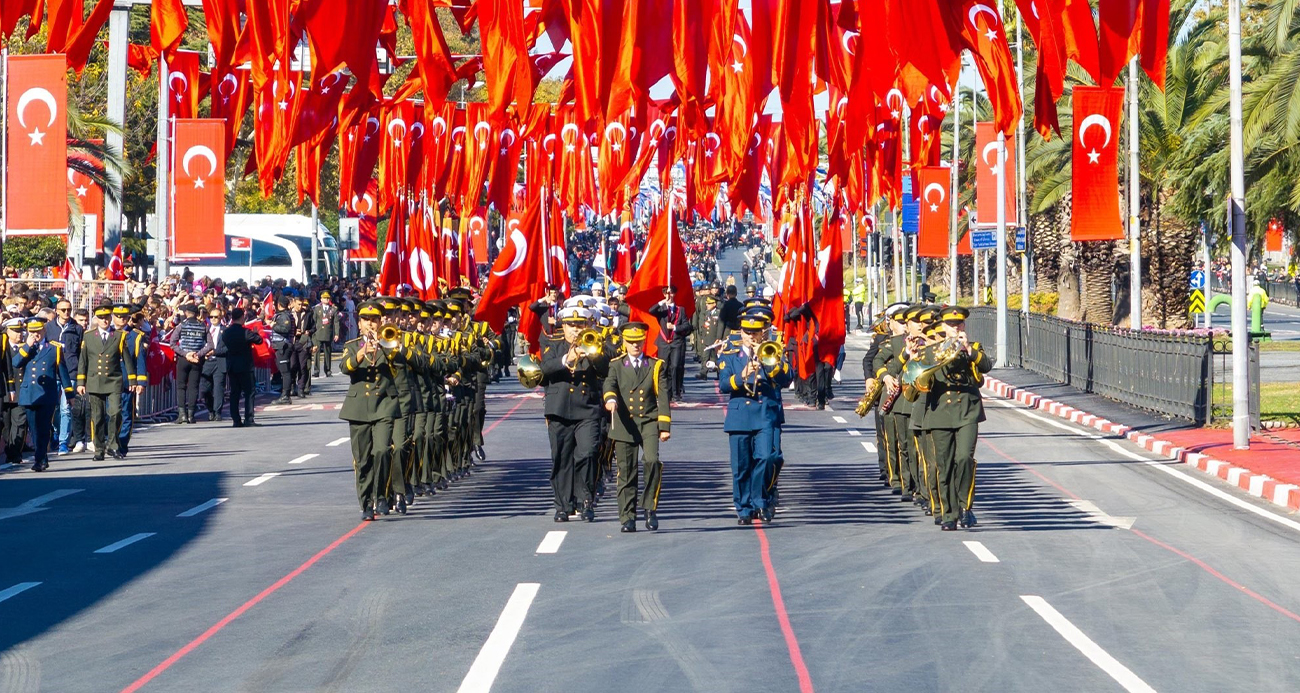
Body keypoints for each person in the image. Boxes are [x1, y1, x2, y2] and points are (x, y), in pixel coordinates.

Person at [918, 306, 991, 531]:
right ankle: (948, 514)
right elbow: (918, 381)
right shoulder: (930, 352)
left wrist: (968, 350)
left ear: (964, 326)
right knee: (945, 465)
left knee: (964, 458)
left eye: (958, 324)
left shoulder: (974, 348)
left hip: (967, 410)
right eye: (950, 325)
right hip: (940, 412)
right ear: (942, 326)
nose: (955, 328)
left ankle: (965, 507)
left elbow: (986, 366)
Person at [717, 308, 793, 524]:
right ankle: (743, 508)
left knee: (767, 458)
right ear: (741, 332)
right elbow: (724, 384)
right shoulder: (730, 354)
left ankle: (761, 500)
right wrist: (742, 376)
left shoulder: (773, 351)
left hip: (764, 415)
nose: (751, 336)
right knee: (741, 467)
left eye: (756, 332)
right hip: (740, 416)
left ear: (763, 333)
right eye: (748, 332)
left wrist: (769, 362)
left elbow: (787, 378)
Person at [540, 306, 609, 522]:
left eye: (580, 325)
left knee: (588, 453)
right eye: (571, 325)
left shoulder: (596, 343)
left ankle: (585, 500)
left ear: (587, 325)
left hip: (587, 408)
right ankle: (563, 505)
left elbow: (606, 370)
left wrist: (593, 355)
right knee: (561, 458)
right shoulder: (552, 344)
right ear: (563, 326)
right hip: (559, 409)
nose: (576, 329)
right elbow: (544, 369)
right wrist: (566, 360)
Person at [602, 322, 671, 533]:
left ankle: (649, 507)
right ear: (624, 342)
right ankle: (627, 517)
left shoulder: (655, 365)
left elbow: (663, 396)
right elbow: (609, 384)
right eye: (631, 341)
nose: (635, 345)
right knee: (626, 471)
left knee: (652, 461)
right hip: (625, 423)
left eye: (639, 341)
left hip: (648, 421)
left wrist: (664, 426)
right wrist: (610, 399)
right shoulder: (616, 365)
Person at [339, 301, 401, 521]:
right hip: (358, 408)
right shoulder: (352, 345)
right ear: (359, 323)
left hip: (384, 405)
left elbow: (400, 364)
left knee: (382, 450)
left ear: (380, 322)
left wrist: (384, 345)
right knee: (363, 459)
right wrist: (362, 352)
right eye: (366, 320)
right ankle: (366, 503)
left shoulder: (390, 343)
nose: (370, 324)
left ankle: (381, 494)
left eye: (374, 320)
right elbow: (345, 367)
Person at [12, 318, 74, 472]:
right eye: (32, 332)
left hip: (47, 394)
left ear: (44, 330)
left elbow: (63, 372)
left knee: (44, 427)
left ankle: (39, 459)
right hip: (29, 394)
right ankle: (42, 457)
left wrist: (69, 393)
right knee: (34, 429)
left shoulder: (54, 348)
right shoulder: (25, 348)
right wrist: (28, 346)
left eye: (38, 331)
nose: (35, 335)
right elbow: (16, 363)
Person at [79, 306, 134, 461]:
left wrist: (132, 379)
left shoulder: (119, 335)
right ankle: (99, 449)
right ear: (96, 319)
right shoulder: (89, 336)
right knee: (97, 417)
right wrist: (81, 382)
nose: (104, 320)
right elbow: (83, 360)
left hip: (113, 380)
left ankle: (113, 445)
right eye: (101, 318)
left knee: (115, 412)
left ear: (110, 318)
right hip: (95, 381)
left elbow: (127, 359)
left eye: (107, 317)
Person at [48, 299, 84, 454]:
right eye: (63, 310)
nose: (66, 312)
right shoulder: (48, 327)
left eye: (69, 309)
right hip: (53, 373)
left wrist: (81, 376)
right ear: (57, 311)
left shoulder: (77, 328)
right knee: (54, 408)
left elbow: (81, 354)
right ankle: (56, 433)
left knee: (66, 408)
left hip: (71, 373)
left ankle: (63, 441)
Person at [114, 306, 149, 457]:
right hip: (108, 381)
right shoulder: (106, 334)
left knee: (126, 414)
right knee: (110, 414)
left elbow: (140, 359)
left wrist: (140, 382)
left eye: (124, 316)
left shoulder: (135, 336)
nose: (121, 319)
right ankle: (109, 442)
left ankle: (121, 445)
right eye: (118, 316)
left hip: (128, 381)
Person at [170, 303, 213, 424]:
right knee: (193, 387)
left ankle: (182, 415)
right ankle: (191, 415)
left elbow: (172, 343)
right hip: (197, 360)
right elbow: (210, 345)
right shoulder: (203, 326)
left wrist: (185, 354)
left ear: (186, 313)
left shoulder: (181, 326)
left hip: (184, 359)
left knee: (181, 386)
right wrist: (198, 354)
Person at [648, 286, 692, 401]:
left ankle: (676, 392)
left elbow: (687, 326)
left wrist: (675, 327)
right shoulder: (661, 309)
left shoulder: (680, 310)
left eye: (671, 293)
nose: (669, 295)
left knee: (675, 366)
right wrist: (661, 302)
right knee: (664, 367)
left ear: (674, 294)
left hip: (676, 342)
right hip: (663, 343)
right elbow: (650, 311)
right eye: (666, 293)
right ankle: (665, 392)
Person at [222, 307, 263, 428]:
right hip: (245, 366)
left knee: (235, 393)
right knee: (249, 392)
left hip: (232, 365)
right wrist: (255, 333)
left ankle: (236, 419)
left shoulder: (226, 332)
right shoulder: (245, 332)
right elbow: (259, 340)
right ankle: (249, 419)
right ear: (242, 318)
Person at [2, 319, 28, 466]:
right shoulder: (3, 348)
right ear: (7, 332)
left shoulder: (26, 347)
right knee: (6, 425)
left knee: (19, 423)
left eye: (21, 331)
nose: (20, 334)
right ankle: (9, 449)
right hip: (5, 391)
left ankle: (15, 453)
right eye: (16, 331)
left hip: (20, 391)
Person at [200, 303, 230, 421]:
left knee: (218, 388)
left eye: (216, 317)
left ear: (220, 317)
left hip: (219, 361)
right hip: (206, 362)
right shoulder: (205, 329)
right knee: (205, 389)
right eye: (211, 317)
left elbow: (228, 348)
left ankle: (217, 412)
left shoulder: (225, 331)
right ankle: (210, 409)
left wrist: (215, 352)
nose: (213, 319)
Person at [270, 296, 295, 404]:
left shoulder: (284, 316)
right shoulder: (283, 315)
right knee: (283, 371)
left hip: (283, 346)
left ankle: (285, 395)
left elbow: (286, 328)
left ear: (279, 305)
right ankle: (285, 393)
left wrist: (273, 326)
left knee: (285, 371)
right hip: (280, 345)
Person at [312, 290, 340, 377]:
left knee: (327, 352)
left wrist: (336, 333)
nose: (327, 299)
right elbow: (314, 321)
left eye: (328, 298)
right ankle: (316, 371)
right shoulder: (317, 309)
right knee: (316, 352)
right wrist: (312, 332)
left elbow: (336, 322)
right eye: (325, 298)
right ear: (321, 299)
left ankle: (328, 370)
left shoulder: (333, 309)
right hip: (318, 332)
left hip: (328, 333)